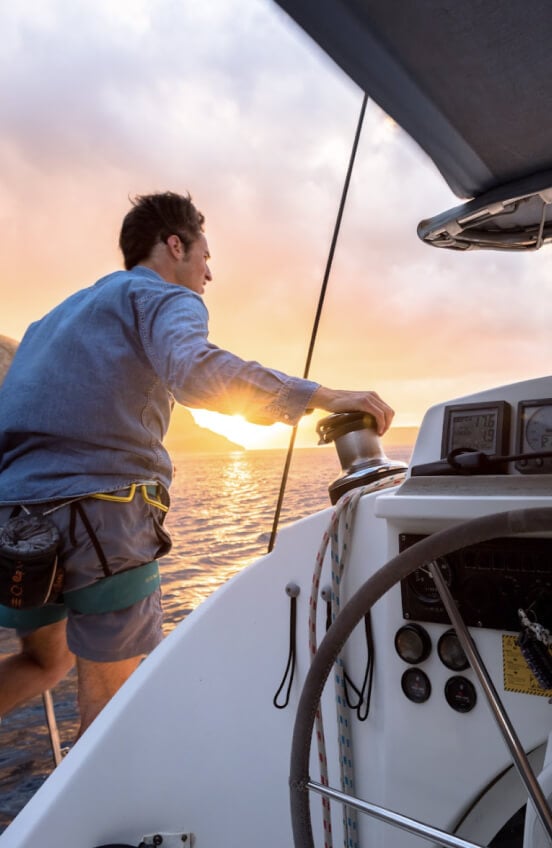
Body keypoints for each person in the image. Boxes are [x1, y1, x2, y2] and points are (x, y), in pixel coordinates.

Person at [0, 191, 394, 738]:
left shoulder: (50, 323)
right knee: (116, 697)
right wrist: (324, 396)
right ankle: (109, 813)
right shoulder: (160, 296)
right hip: (102, 516)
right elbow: (194, 370)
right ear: (175, 245)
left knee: (46, 662)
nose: (209, 274)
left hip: (15, 524)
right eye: (206, 257)